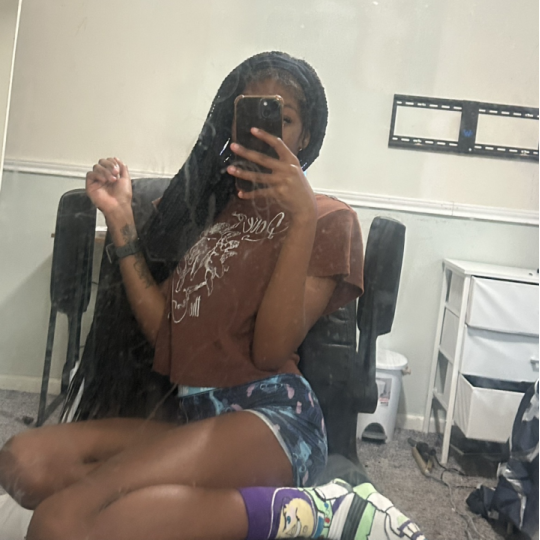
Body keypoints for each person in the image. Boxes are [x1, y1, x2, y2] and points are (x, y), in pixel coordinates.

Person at [0, 52, 427, 540]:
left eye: (281, 118)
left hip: (270, 418)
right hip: (194, 416)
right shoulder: (216, 212)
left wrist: (301, 218)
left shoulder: (329, 218)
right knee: (23, 462)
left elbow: (270, 351)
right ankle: (296, 513)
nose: (262, 131)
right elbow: (164, 330)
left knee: (66, 517)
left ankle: (309, 509)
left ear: (305, 136)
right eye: (248, 115)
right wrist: (120, 219)